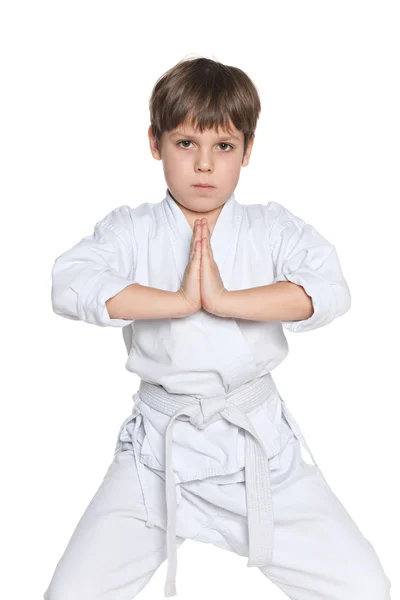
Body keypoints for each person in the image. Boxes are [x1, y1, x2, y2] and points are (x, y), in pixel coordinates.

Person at [43, 56, 392, 600]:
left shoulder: (271, 228)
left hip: (259, 452)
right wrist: (179, 301)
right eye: (186, 144)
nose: (203, 165)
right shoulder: (131, 231)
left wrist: (225, 300)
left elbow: (330, 291)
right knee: (71, 593)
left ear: (247, 151)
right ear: (155, 143)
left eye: (223, 147)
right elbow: (69, 284)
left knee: (365, 586)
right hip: (158, 455)